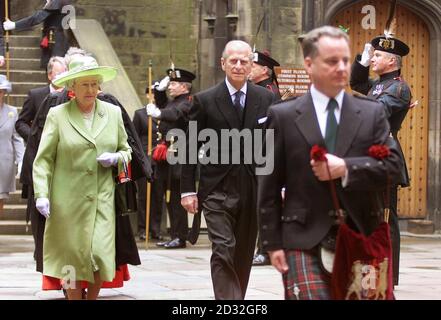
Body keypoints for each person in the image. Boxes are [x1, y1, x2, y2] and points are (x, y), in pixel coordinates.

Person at [257, 26, 401, 300]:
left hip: (361, 235)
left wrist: (346, 168)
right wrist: (271, 243)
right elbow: (268, 184)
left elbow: (393, 166)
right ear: (310, 64)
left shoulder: (371, 114)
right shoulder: (283, 116)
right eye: (332, 61)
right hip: (302, 238)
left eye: (346, 60)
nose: (341, 67)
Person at [181, 40, 275, 299]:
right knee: (223, 248)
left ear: (251, 65)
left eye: (244, 61)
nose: (238, 65)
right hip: (216, 189)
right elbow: (189, 146)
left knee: (243, 252)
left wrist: (280, 185)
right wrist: (188, 190)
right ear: (223, 63)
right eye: (233, 60)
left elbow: (273, 145)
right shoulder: (204, 100)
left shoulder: (266, 98)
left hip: (252, 186)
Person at [32, 55, 132, 300]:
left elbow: (127, 150)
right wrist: (41, 195)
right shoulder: (58, 114)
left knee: (100, 254)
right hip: (67, 201)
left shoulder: (113, 112)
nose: (90, 90)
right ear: (72, 87)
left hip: (102, 198)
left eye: (94, 84)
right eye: (84, 84)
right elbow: (44, 159)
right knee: (70, 260)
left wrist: (115, 158)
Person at [350, 35, 412, 286]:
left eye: (376, 56)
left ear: (391, 60)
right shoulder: (379, 84)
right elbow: (357, 83)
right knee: (369, 214)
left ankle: (389, 275)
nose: (373, 57)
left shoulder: (398, 87)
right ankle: (371, 269)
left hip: (385, 155)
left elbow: (375, 113)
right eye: (372, 55)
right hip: (369, 153)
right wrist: (362, 64)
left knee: (386, 218)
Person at [145, 68, 195, 249]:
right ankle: (175, 234)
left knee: (177, 197)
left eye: (173, 84)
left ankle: (180, 235)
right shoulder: (174, 101)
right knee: (169, 196)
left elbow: (175, 114)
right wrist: (159, 90)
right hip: (169, 156)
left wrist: (158, 114)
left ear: (184, 86)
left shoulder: (188, 101)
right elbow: (163, 102)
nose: (170, 87)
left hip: (180, 156)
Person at [248, 49, 281, 267]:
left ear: (264, 70)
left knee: (264, 203)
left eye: (252, 65)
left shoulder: (269, 92)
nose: (248, 68)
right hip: (254, 154)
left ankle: (265, 250)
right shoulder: (255, 89)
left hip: (265, 154)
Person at [132, 87, 162, 241]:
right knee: (144, 196)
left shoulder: (163, 113)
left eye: (156, 93)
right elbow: (134, 137)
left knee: (158, 196)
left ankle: (156, 229)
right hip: (145, 159)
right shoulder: (140, 114)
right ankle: (143, 229)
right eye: (152, 93)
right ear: (147, 95)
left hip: (160, 160)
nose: (154, 96)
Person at [3, 0, 71, 68]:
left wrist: (14, 25)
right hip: (55, 38)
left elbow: (37, 18)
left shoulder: (57, 1)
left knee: (55, 68)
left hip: (56, 40)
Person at [16, 56, 67, 142]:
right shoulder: (35, 95)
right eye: (58, 74)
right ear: (49, 75)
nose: (62, 78)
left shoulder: (71, 96)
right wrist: (34, 139)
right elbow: (20, 123)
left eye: (65, 74)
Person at [0, 75, 24, 213]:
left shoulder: (12, 111)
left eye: (1, 91)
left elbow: (17, 138)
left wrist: (21, 161)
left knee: (0, 198)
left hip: (4, 163)